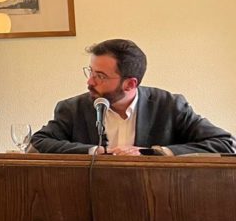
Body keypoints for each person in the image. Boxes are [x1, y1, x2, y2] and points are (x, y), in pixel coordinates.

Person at [30, 38, 233, 155]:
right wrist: (93, 151)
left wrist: (155, 152)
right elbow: (39, 141)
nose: (90, 82)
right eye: (90, 72)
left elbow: (225, 143)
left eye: (100, 76)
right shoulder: (72, 108)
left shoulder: (169, 106)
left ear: (130, 84)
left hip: (154, 198)